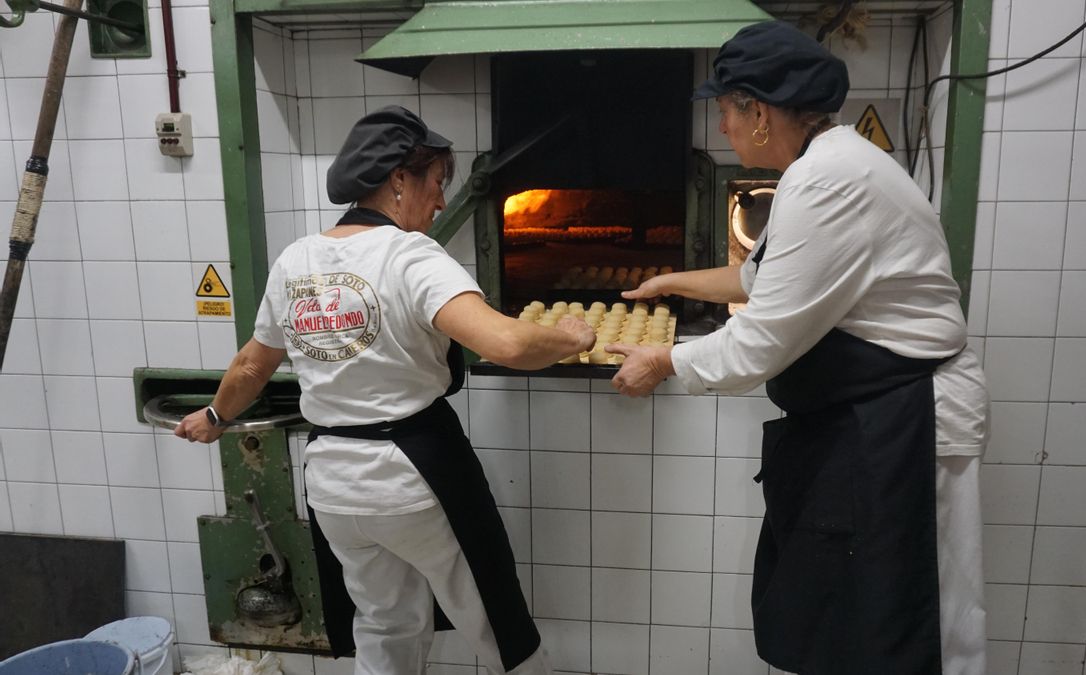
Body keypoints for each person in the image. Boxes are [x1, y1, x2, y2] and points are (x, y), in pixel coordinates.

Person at [606, 21, 989, 675]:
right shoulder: (824, 167)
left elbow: (760, 343)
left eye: (725, 111)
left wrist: (664, 359)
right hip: (872, 416)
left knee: (910, 617)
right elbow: (758, 281)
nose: (721, 127)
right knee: (858, 612)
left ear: (759, 112)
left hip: (909, 421)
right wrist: (669, 280)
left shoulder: (826, 181)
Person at [175, 105, 595, 675]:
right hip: (412, 472)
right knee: (493, 619)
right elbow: (508, 345)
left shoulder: (296, 259)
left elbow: (252, 366)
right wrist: (569, 336)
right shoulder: (410, 256)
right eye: (437, 183)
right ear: (399, 178)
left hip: (333, 483)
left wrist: (213, 418)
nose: (443, 200)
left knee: (383, 622)